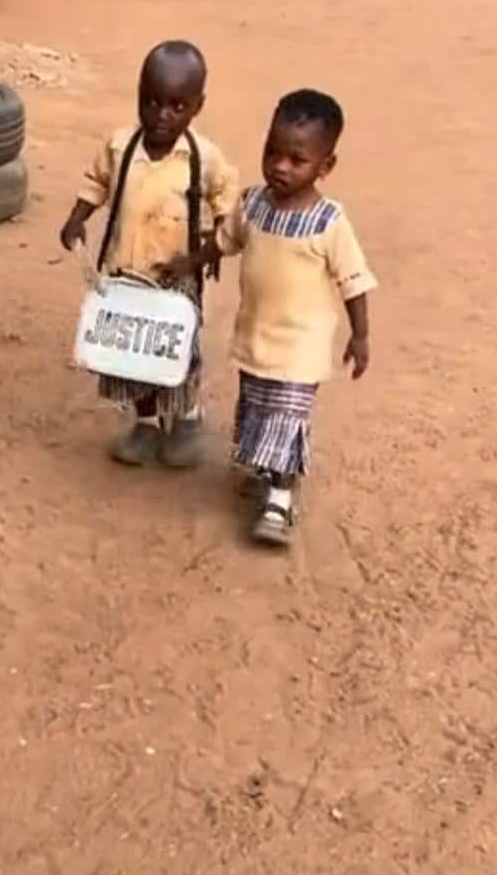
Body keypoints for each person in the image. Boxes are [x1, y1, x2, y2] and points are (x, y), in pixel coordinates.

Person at [158, 89, 377, 544]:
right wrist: (190, 263)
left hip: (301, 347)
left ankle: (281, 497)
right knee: (258, 406)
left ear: (325, 166)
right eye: (273, 152)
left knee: (287, 416)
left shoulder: (329, 223)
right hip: (257, 336)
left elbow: (354, 282)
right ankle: (264, 469)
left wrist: (360, 336)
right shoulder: (254, 204)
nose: (280, 166)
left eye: (297, 159)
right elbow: (224, 242)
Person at [61, 40, 239, 468]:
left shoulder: (202, 156)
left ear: (197, 106)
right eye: (152, 102)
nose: (162, 116)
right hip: (125, 271)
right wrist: (77, 217)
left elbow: (226, 192)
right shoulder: (120, 148)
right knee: (131, 356)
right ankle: (145, 423)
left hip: (176, 277)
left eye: (177, 106)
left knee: (175, 352)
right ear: (138, 94)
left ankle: (186, 418)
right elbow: (96, 182)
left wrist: (218, 234)